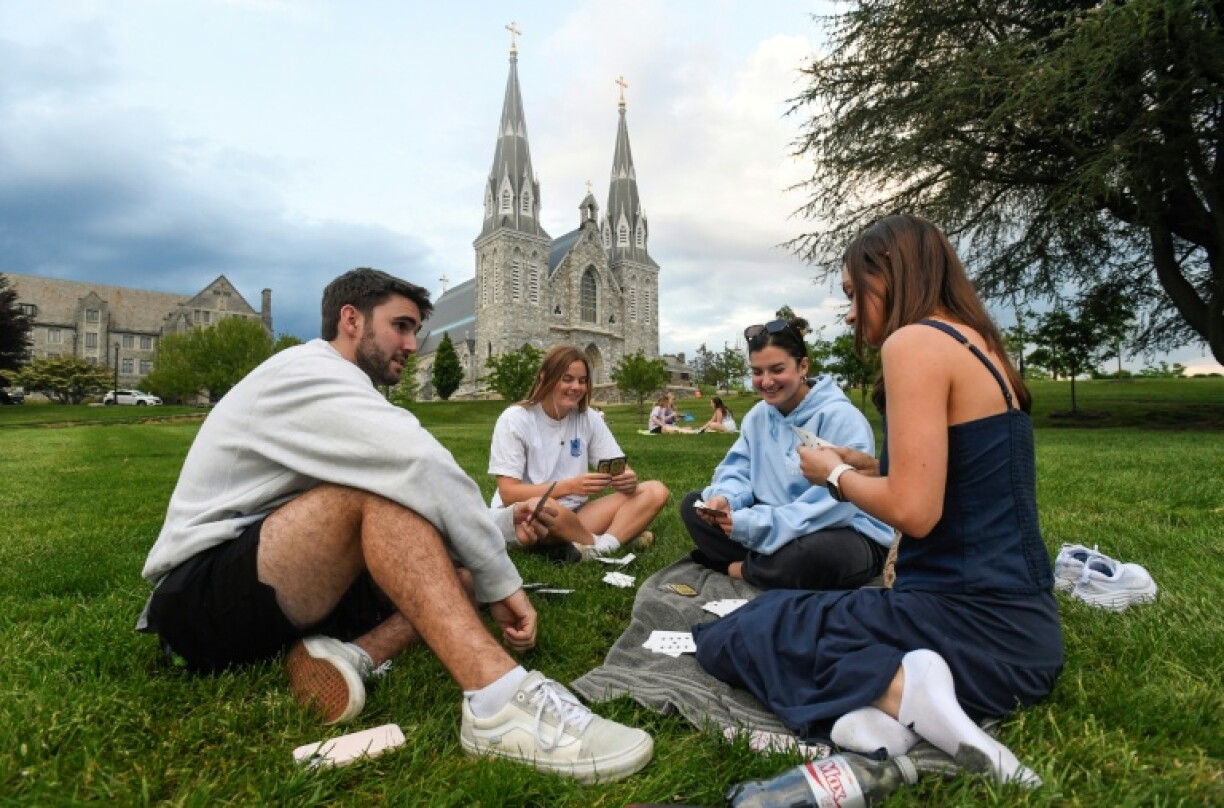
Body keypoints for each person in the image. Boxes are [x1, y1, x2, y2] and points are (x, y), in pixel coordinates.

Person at [137, 269, 653, 783]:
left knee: (455, 576)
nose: (412, 343)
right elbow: (421, 467)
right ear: (351, 320)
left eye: (415, 330)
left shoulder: (348, 385)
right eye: (401, 326)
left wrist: (502, 526)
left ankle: (355, 656)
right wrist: (503, 579)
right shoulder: (309, 373)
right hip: (199, 601)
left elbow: (426, 498)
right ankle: (497, 704)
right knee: (381, 496)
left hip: (281, 588)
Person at [693, 215, 1063, 788]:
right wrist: (868, 465)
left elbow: (916, 512)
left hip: (962, 623)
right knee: (806, 615)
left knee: (744, 628)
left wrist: (835, 472)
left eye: (850, 293)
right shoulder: (980, 344)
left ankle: (906, 693)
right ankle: (892, 715)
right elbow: (959, 474)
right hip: (1023, 641)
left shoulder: (913, 341)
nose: (847, 313)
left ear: (889, 277)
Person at [680, 316, 894, 590]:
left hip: (839, 528)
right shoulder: (758, 416)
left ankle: (740, 568)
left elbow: (833, 509)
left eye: (777, 369)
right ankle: (767, 567)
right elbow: (738, 469)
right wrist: (725, 499)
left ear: (803, 366)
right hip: (771, 519)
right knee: (693, 505)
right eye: (757, 372)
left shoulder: (841, 418)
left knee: (813, 555)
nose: (766, 381)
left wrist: (753, 524)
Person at [488, 345, 670, 558]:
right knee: (544, 507)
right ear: (544, 378)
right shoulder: (515, 419)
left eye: (582, 381)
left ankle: (599, 549)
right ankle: (609, 540)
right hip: (529, 515)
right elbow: (509, 493)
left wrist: (627, 479)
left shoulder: (588, 418)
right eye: (567, 379)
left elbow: (621, 469)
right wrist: (571, 486)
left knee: (655, 491)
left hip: (576, 516)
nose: (576, 387)